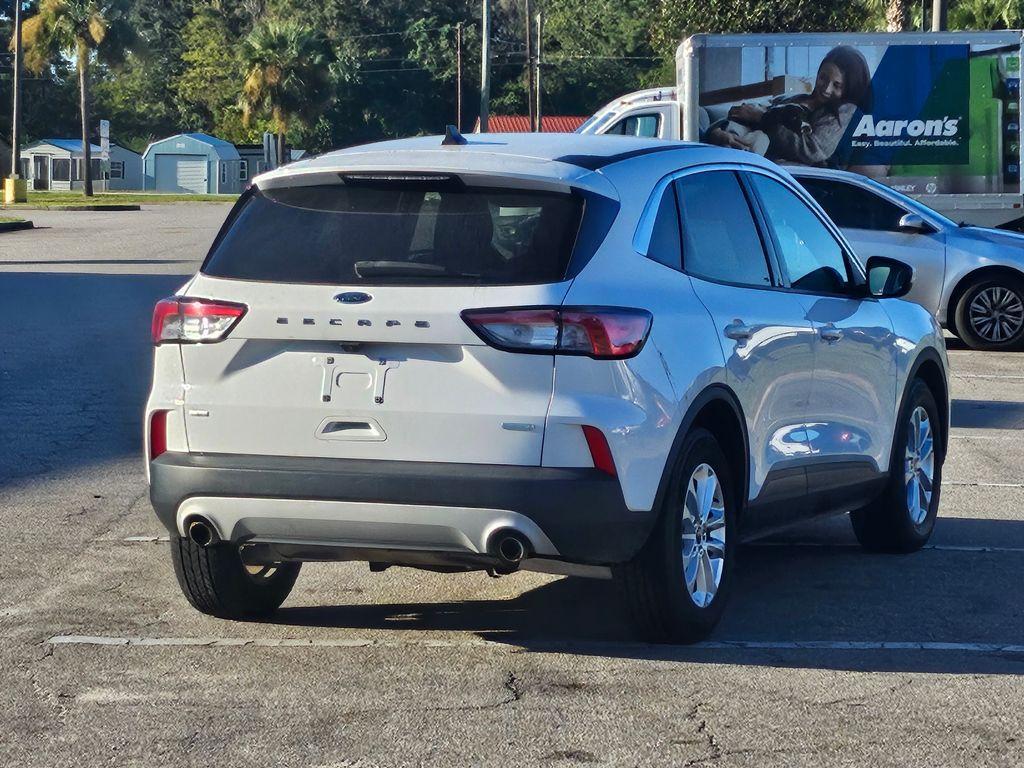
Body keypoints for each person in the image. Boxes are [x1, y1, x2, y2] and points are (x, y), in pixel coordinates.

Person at [708, 45, 872, 166]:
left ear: (849, 89)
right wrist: (717, 131)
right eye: (823, 77)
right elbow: (746, 111)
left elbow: (812, 150)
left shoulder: (843, 112)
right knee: (702, 115)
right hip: (730, 137)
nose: (826, 88)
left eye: (837, 85)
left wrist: (763, 118)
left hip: (761, 160)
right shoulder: (793, 98)